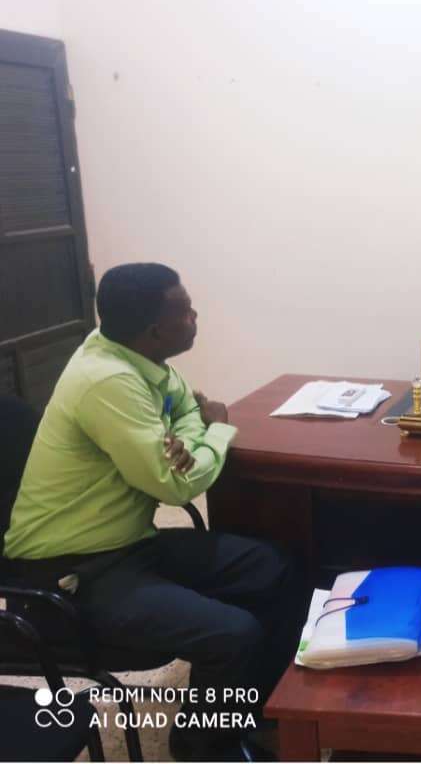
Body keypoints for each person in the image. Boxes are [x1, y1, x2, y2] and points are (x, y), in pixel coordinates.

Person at [3, 263, 303, 762]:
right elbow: (176, 482)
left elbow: (186, 407)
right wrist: (217, 431)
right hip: (69, 575)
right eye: (185, 311)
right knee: (233, 634)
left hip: (127, 545)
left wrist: (186, 438)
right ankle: (203, 746)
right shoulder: (107, 381)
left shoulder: (140, 357)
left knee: (272, 566)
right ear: (155, 330)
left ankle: (255, 711)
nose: (195, 316)